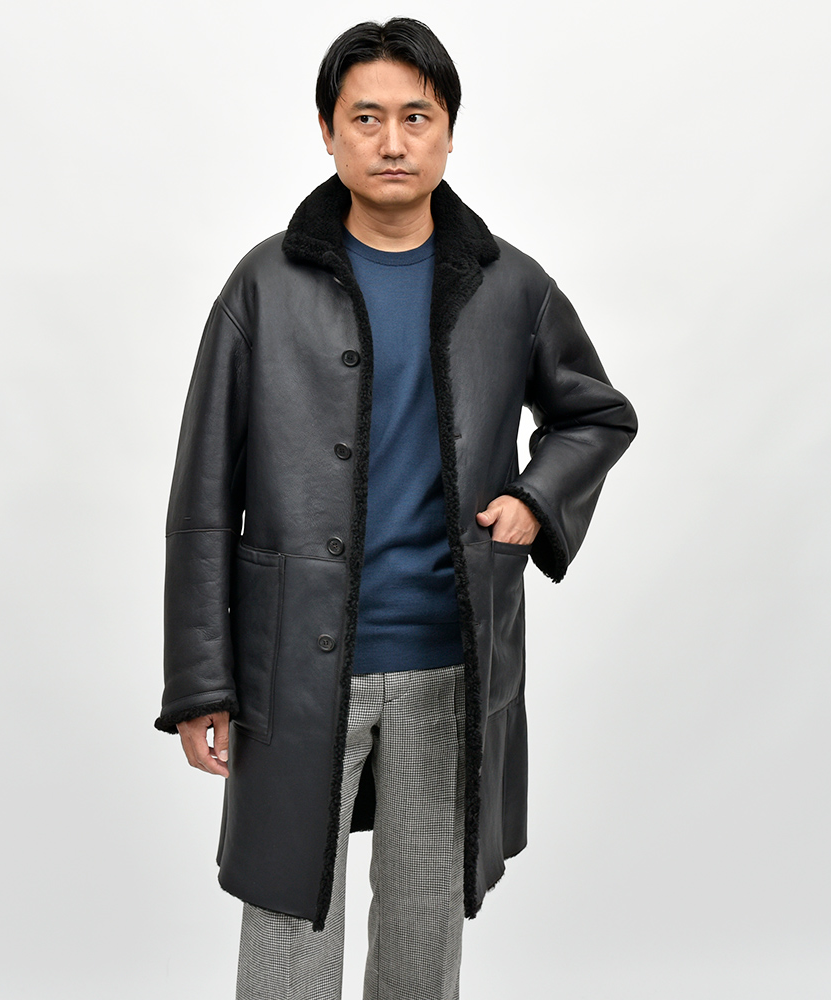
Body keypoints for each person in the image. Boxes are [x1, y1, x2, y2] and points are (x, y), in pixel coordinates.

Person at [155, 17, 636, 1000]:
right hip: (293, 668)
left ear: (449, 132)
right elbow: (202, 495)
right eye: (365, 117)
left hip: (449, 660)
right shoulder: (263, 284)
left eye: (416, 117)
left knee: (422, 936)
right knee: (287, 931)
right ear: (327, 133)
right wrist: (202, 680)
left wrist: (534, 499)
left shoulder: (511, 286)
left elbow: (596, 414)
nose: (391, 141)